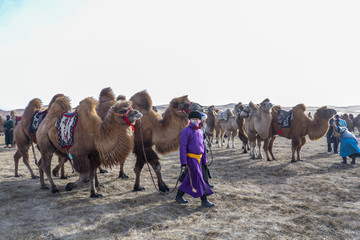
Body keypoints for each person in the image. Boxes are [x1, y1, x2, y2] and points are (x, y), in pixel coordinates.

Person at [175, 111, 215, 207]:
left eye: (197, 119)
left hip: (199, 160)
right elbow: (183, 148)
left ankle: (179, 196)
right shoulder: (185, 131)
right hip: (191, 159)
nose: (195, 121)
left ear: (200, 120)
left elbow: (203, 146)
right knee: (199, 179)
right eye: (193, 119)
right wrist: (184, 162)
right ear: (190, 120)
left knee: (189, 179)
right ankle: (204, 200)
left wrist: (204, 160)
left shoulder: (200, 131)